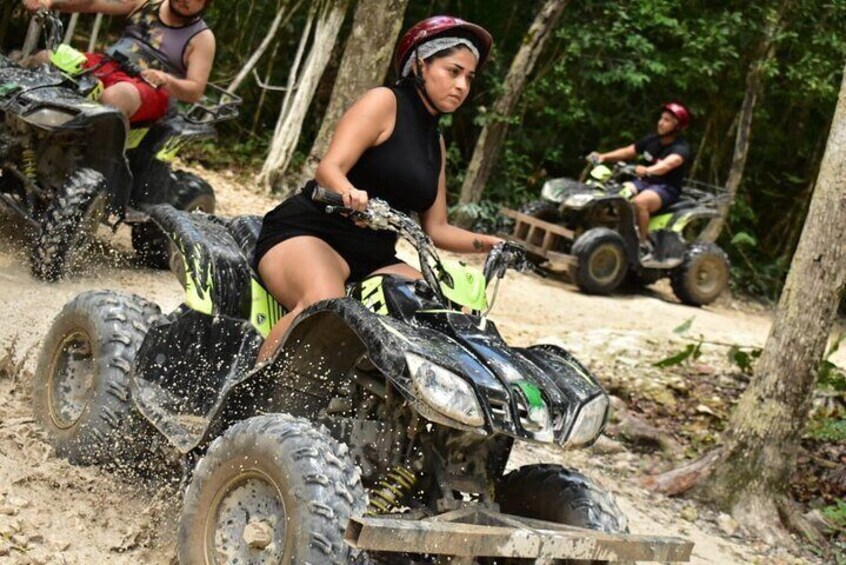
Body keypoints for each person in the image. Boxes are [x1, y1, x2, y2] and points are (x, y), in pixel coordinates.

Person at [253, 15, 503, 364]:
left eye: (469, 78)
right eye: (453, 71)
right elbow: (329, 169)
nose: (462, 85)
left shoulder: (436, 143)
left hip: (373, 257)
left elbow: (438, 229)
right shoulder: (384, 103)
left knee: (442, 316)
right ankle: (254, 401)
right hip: (311, 234)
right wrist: (350, 194)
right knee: (323, 303)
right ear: (420, 63)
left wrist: (493, 244)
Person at [22, 0, 215, 123]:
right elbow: (93, 3)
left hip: (148, 88)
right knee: (44, 59)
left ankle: (92, 165)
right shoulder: (145, 3)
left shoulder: (201, 38)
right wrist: (51, 2)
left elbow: (195, 91)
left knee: (115, 97)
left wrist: (166, 79)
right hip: (108, 64)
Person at [588, 102, 691, 262]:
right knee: (617, 193)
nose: (660, 122)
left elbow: (667, 165)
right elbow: (628, 151)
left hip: (666, 188)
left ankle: (641, 246)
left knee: (640, 202)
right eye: (661, 118)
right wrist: (603, 156)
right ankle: (610, 232)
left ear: (677, 127)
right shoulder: (653, 140)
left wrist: (648, 170)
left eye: (667, 120)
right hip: (644, 182)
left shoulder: (681, 148)